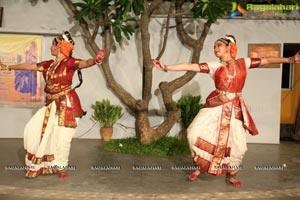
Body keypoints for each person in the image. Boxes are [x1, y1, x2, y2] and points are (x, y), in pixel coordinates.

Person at [152, 35, 300, 187]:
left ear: (230, 47)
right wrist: (166, 67)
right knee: (193, 133)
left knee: (238, 145)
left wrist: (289, 60)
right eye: (214, 46)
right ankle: (200, 166)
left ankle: (231, 175)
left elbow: (266, 60)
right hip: (215, 104)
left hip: (234, 107)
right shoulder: (214, 66)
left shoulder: (243, 63)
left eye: (219, 45)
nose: (215, 48)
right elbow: (191, 66)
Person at [0, 31, 106, 179]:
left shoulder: (69, 63)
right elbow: (30, 66)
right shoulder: (48, 64)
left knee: (62, 137)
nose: (51, 47)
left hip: (68, 105)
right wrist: (8, 67)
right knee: (35, 130)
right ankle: (43, 164)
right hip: (51, 104)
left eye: (53, 44)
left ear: (60, 47)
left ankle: (61, 167)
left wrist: (96, 60)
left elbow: (84, 63)